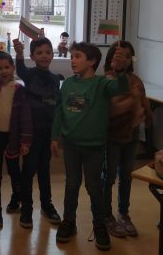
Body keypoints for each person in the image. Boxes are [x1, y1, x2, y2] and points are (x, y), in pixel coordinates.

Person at [51, 41, 129, 250]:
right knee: (71, 184)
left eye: (77, 56)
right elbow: (60, 112)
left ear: (92, 61)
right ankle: (69, 221)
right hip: (71, 145)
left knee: (94, 187)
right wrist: (54, 137)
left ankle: (99, 224)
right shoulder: (68, 84)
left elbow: (122, 88)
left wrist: (120, 70)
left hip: (94, 146)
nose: (72, 60)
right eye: (72, 56)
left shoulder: (102, 83)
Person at [101, 41, 152, 238]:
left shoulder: (136, 79)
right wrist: (131, 98)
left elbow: (143, 103)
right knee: (109, 175)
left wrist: (145, 114)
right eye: (119, 56)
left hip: (132, 134)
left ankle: (123, 213)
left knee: (126, 175)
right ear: (111, 59)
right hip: (112, 136)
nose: (124, 60)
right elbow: (111, 109)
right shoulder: (106, 80)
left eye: (128, 56)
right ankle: (106, 214)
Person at [0, 52, 33, 228]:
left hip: (13, 138)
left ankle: (16, 198)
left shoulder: (19, 90)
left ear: (13, 68)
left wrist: (25, 141)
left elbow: (25, 117)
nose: (3, 71)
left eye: (7, 67)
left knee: (14, 171)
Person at [13, 37, 61, 229]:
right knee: (28, 171)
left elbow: (57, 107)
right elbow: (20, 69)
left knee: (44, 170)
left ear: (52, 55)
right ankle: (26, 209)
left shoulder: (55, 79)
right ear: (32, 56)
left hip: (47, 132)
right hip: (31, 133)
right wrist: (19, 54)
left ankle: (46, 205)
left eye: (48, 52)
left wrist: (56, 135)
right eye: (39, 53)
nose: (44, 56)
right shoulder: (30, 74)